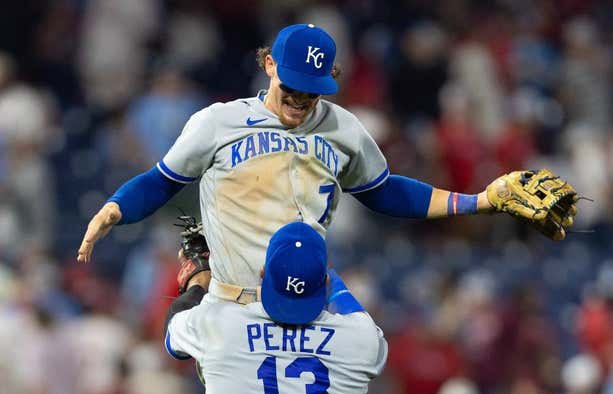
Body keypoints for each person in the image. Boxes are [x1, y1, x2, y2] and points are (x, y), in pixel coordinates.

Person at [76, 24, 556, 296]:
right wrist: (115, 209)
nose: (302, 98)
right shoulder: (218, 122)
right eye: (292, 85)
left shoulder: (344, 129)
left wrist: (477, 202)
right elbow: (161, 182)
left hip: (303, 290)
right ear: (269, 66)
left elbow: (386, 192)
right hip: (235, 296)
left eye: (314, 88)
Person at [164, 221, 387, 394]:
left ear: (262, 273)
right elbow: (352, 309)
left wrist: (198, 281)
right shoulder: (362, 339)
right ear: (325, 282)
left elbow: (173, 334)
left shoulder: (219, 324)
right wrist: (322, 270)